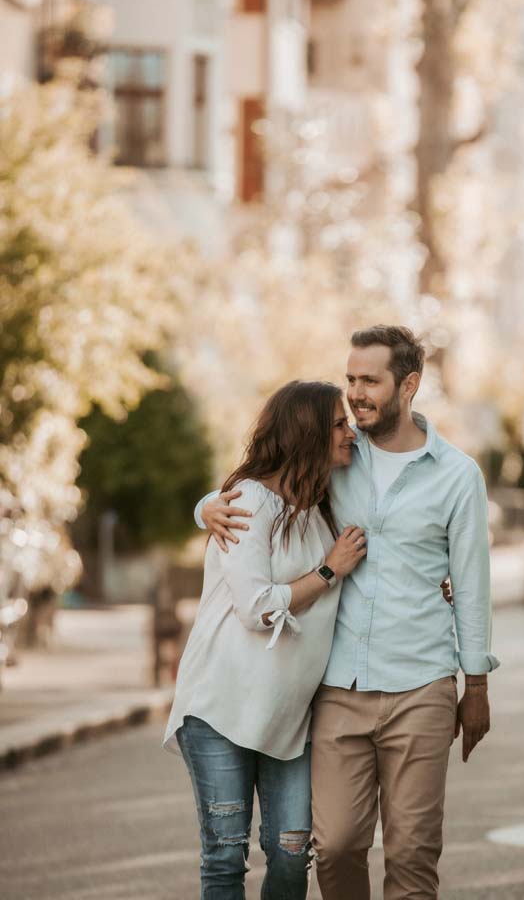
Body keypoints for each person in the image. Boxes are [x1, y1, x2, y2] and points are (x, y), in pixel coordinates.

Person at [198, 325, 500, 900]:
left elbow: (472, 583)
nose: (356, 394)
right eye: (351, 379)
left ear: (408, 385)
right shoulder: (335, 453)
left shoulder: (458, 476)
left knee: (412, 853)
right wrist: (206, 506)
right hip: (337, 684)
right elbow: (261, 483)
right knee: (334, 847)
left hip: (422, 683)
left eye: (370, 381)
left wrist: (477, 684)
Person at [164, 380, 368, 900]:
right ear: (306, 435)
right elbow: (257, 609)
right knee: (227, 854)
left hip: (289, 719)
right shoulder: (251, 501)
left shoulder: (323, 507)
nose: (352, 434)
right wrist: (328, 571)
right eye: (339, 425)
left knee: (292, 852)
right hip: (220, 709)